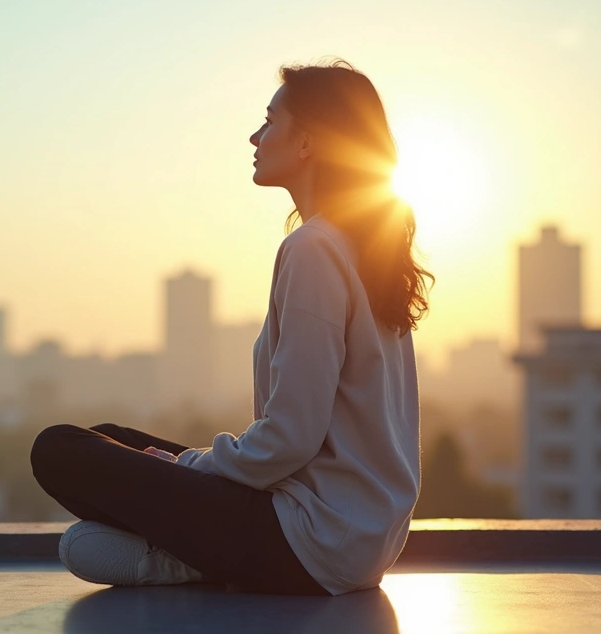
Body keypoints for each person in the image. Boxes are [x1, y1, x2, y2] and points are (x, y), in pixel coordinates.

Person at [30, 58, 431, 596]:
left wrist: (188, 465)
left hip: (310, 540)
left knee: (57, 450)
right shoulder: (365, 247)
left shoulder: (314, 248)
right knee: (110, 440)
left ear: (307, 141)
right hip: (359, 540)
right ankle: (204, 551)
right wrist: (184, 466)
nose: (255, 136)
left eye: (269, 121)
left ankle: (183, 561)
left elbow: (290, 438)